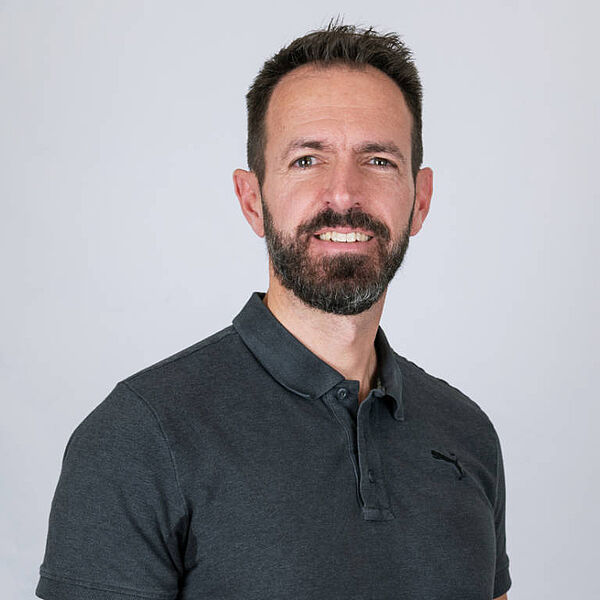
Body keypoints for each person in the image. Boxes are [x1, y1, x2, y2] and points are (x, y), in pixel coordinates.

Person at [36, 21, 512, 600]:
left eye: (379, 160)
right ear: (251, 200)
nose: (344, 193)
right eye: (307, 160)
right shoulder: (138, 438)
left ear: (421, 200)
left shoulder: (468, 434)